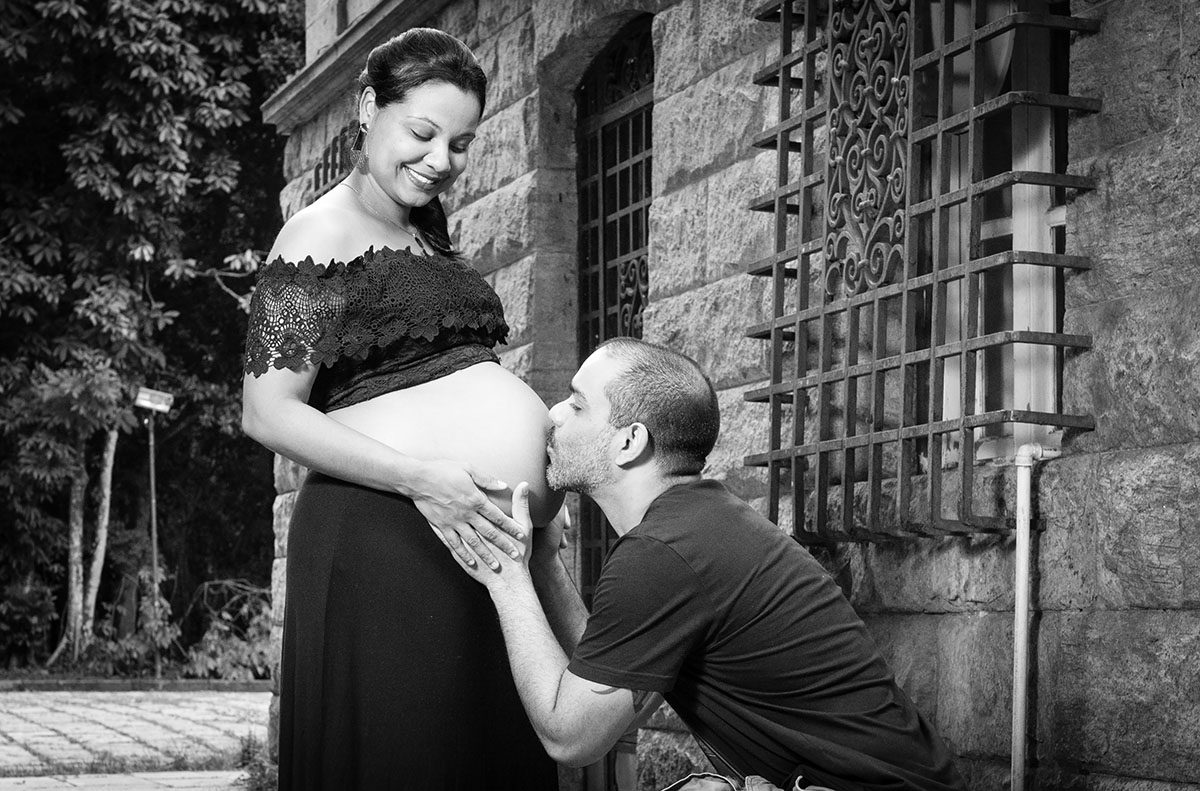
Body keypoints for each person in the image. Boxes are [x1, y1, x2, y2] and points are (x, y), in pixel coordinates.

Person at [241, 28, 561, 790]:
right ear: (365, 108)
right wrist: (423, 478)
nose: (440, 159)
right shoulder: (312, 236)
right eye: (422, 133)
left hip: (474, 543)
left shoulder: (427, 232)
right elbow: (267, 411)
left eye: (460, 142)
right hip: (385, 534)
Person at [451, 338, 968, 791]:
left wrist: (504, 572)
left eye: (577, 404)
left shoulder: (663, 554)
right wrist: (543, 564)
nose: (553, 415)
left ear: (629, 442)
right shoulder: (694, 526)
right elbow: (606, 678)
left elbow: (571, 737)